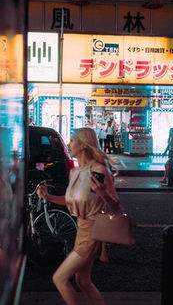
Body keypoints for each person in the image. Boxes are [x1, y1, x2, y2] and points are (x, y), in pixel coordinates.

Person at [36, 127, 122, 305]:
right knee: (82, 281)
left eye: (73, 140)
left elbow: (117, 206)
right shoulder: (74, 172)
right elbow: (70, 202)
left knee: (59, 278)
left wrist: (102, 192)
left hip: (93, 231)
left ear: (83, 145)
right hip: (80, 230)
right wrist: (48, 197)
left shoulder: (99, 170)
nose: (69, 144)